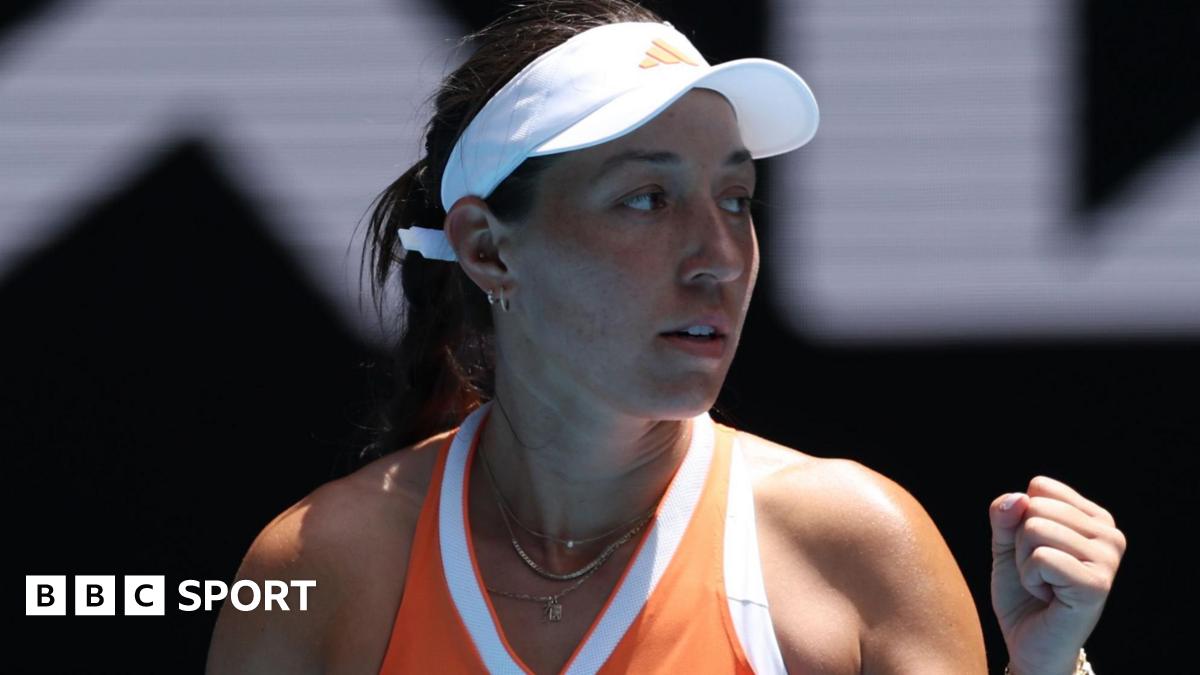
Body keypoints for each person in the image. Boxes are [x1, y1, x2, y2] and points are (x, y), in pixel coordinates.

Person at [206, 2, 1127, 673]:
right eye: (647, 199)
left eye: (736, 199)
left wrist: (1050, 674)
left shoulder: (855, 545)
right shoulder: (319, 571)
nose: (720, 256)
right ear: (489, 248)